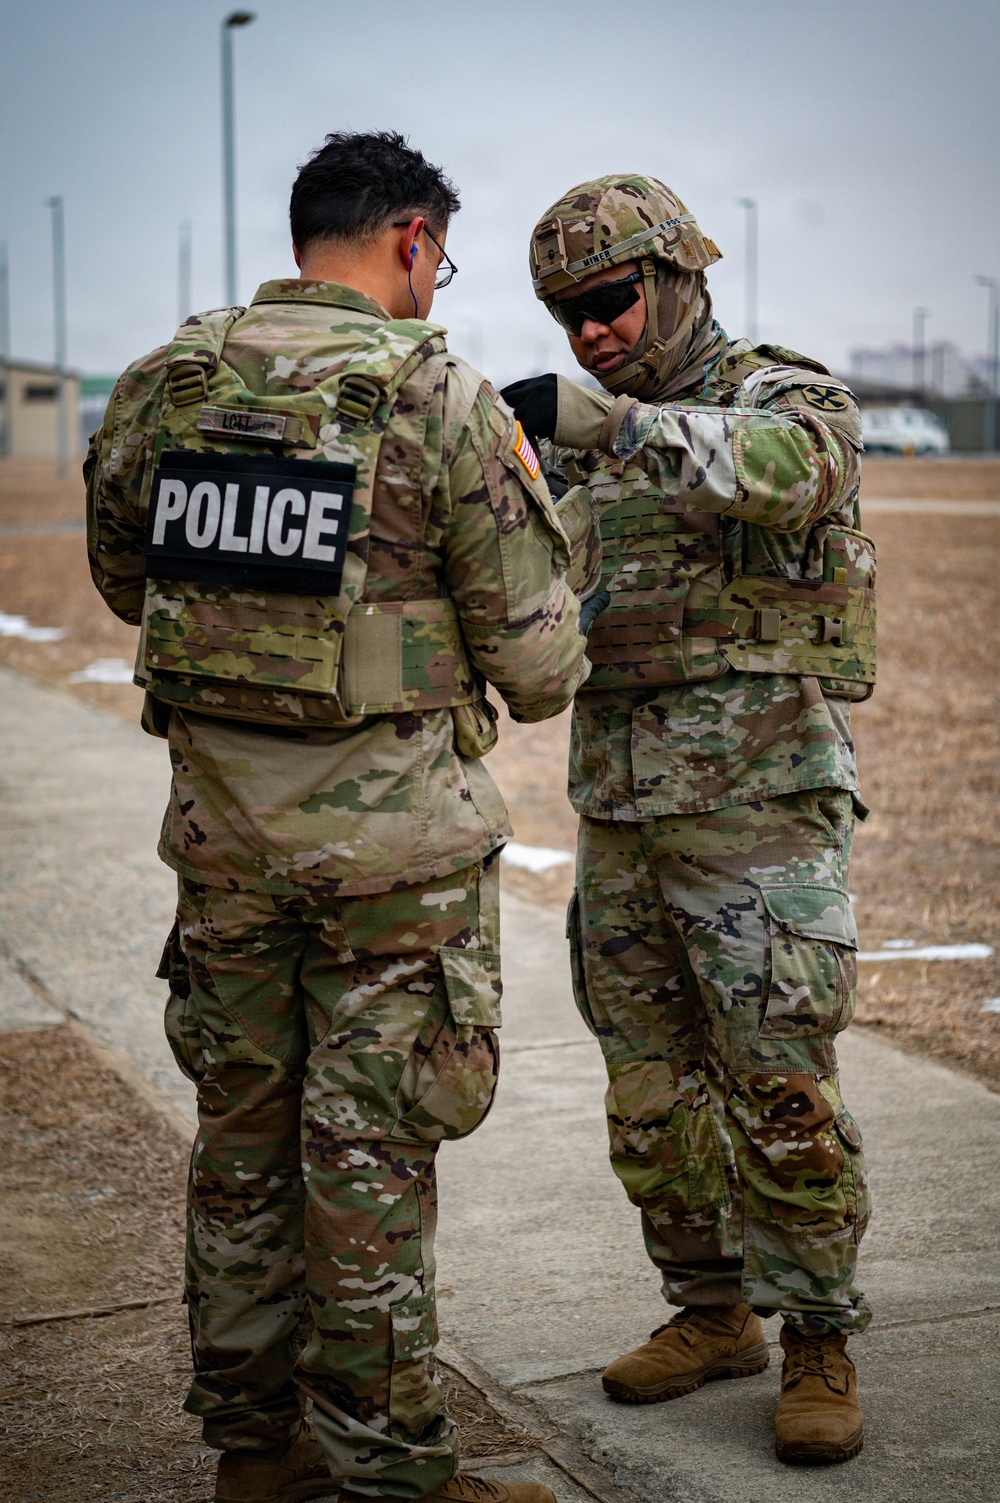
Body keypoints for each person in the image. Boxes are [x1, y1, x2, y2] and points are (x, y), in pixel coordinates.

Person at [86, 131, 593, 1503]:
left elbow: (131, 586)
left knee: (243, 1150)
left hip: (226, 853)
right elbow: (544, 670)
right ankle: (393, 1480)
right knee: (364, 1165)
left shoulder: (168, 381)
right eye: (442, 260)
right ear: (413, 240)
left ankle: (258, 1460)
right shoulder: (441, 398)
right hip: (393, 873)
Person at [501, 176, 875, 1467]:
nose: (592, 332)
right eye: (569, 317)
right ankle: (711, 1311)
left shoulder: (780, 395)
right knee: (649, 1095)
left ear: (676, 277)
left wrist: (625, 429)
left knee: (780, 1088)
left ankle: (821, 1334)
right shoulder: (580, 446)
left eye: (608, 301)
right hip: (620, 812)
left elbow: (801, 477)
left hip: (761, 815)